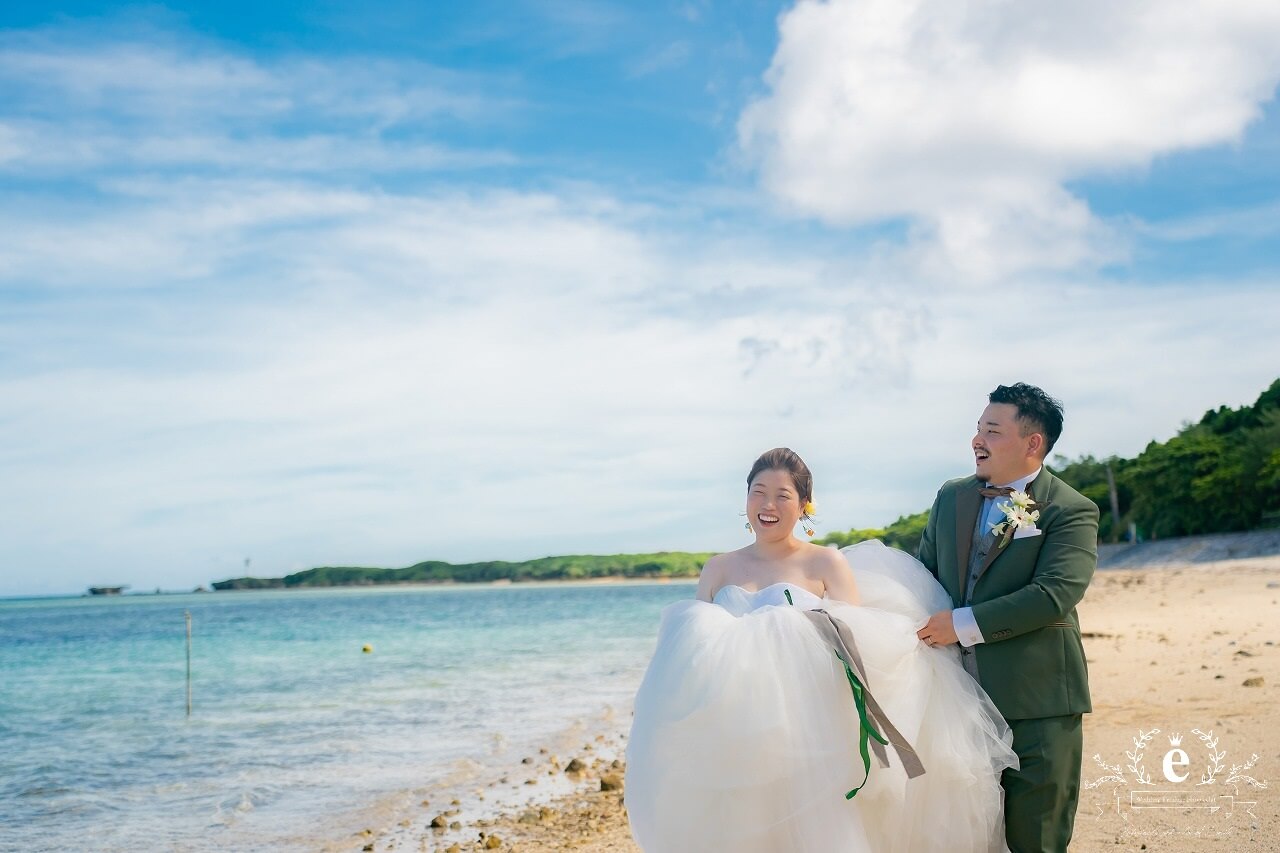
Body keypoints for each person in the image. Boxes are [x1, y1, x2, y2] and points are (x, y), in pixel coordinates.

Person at [626, 447, 1017, 853]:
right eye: (758, 492)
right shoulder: (718, 568)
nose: (768, 505)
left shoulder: (824, 563)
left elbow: (861, 645)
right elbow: (694, 657)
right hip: (732, 731)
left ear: (804, 505)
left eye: (782, 495)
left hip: (809, 732)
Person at [916, 383, 1098, 852]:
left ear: (1032, 443)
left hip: (1039, 703)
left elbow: (1054, 594)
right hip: (956, 703)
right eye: (978, 429)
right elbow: (923, 580)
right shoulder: (950, 499)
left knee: (1035, 837)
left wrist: (959, 624)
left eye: (992, 431)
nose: (977, 440)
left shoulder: (1071, 510)